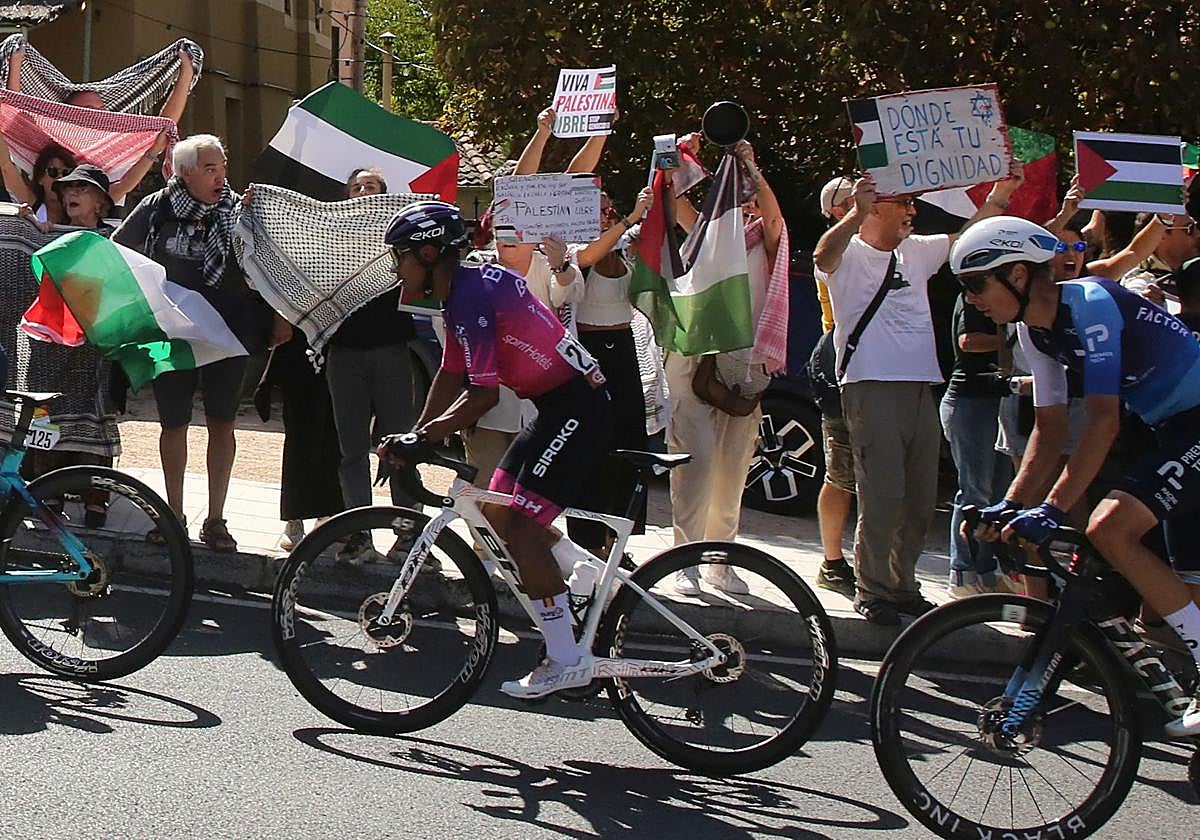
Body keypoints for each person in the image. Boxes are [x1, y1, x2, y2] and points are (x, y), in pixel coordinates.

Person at [951, 215, 1200, 737]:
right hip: (1170, 429)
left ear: (1018, 274)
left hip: (1190, 423)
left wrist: (1052, 509)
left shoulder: (1091, 304)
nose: (971, 299)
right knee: (1188, 583)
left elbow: (1103, 421)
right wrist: (1011, 504)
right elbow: (1050, 430)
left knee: (1110, 528)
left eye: (975, 284)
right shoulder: (1034, 331)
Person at [379, 200, 612, 699]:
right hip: (559, 405)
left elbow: (482, 394)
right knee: (495, 512)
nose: (396, 269)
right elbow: (450, 373)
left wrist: (424, 438)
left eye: (400, 257)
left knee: (522, 532)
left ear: (427, 253)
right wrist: (417, 434)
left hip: (577, 408)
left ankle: (565, 659)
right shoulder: (464, 289)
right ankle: (584, 573)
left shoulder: (469, 297)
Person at [811, 166, 1023, 625]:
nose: (912, 210)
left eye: (912, 203)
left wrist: (1002, 194)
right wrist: (855, 213)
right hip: (871, 384)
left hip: (919, 384)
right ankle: (873, 589)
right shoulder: (849, 252)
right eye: (903, 203)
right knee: (883, 494)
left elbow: (969, 235)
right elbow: (823, 255)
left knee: (919, 499)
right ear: (875, 208)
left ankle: (902, 586)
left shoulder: (916, 251)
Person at [112, 134, 286, 552]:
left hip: (228, 331)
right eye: (210, 169)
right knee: (173, 423)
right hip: (172, 334)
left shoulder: (241, 211)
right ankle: (172, 516)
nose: (220, 177)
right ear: (185, 172)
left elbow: (273, 263)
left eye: (222, 167)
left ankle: (216, 519)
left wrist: (280, 317)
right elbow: (118, 251)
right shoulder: (157, 208)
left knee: (222, 423)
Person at [665, 139, 786, 595]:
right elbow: (672, 202)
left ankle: (720, 560)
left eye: (750, 200)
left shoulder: (767, 242)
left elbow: (773, 219)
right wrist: (674, 160)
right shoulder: (706, 236)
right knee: (695, 464)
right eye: (739, 199)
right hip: (694, 362)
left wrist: (750, 165)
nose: (746, 206)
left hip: (743, 367)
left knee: (732, 472)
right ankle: (685, 561)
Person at [322, 168, 422, 564]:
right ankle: (358, 535)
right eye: (356, 187)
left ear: (385, 193)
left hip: (390, 349)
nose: (363, 191)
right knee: (351, 450)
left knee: (400, 444)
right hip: (343, 352)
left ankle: (408, 535)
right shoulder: (330, 237)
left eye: (372, 186)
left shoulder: (400, 237)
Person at [941, 289, 1014, 598]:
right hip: (971, 401)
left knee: (1000, 493)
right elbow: (968, 341)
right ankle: (961, 574)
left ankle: (987, 572)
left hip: (999, 402)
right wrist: (1012, 340)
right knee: (974, 491)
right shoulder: (974, 294)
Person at [811, 174, 858, 601]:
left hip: (878, 370)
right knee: (840, 471)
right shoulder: (834, 250)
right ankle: (832, 560)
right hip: (842, 366)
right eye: (850, 199)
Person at [1, 141, 76, 225]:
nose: (60, 178)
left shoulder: (80, 212)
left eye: (66, 173)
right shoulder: (31, 204)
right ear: (40, 178)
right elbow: (6, 166)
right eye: (53, 172)